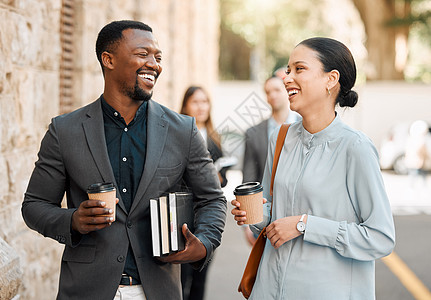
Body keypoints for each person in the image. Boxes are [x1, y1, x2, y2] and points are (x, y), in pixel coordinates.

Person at [21, 20, 227, 300]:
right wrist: (73, 220)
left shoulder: (183, 130)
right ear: (108, 60)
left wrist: (204, 242)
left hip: (159, 289)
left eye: (158, 57)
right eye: (143, 54)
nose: (154, 64)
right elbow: (34, 206)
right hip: (86, 291)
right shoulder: (65, 130)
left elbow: (212, 199)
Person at [231, 37, 395, 299]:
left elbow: (380, 238)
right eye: (288, 70)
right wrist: (253, 215)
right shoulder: (281, 138)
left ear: (331, 79)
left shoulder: (356, 148)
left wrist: (305, 225)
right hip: (269, 289)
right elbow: (272, 216)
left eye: (299, 69)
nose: (287, 78)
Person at [179, 86, 230, 300]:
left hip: (207, 217)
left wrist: (217, 177)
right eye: (196, 102)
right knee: (181, 277)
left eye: (205, 102)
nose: (201, 107)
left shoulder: (214, 138)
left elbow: (223, 178)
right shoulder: (177, 135)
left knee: (201, 276)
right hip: (183, 214)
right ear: (185, 106)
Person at [242, 75, 301, 245]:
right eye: (268, 92)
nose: (272, 95)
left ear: (287, 91)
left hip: (297, 212)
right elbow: (249, 177)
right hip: (265, 212)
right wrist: (248, 224)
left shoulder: (306, 126)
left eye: (277, 90)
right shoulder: (254, 133)